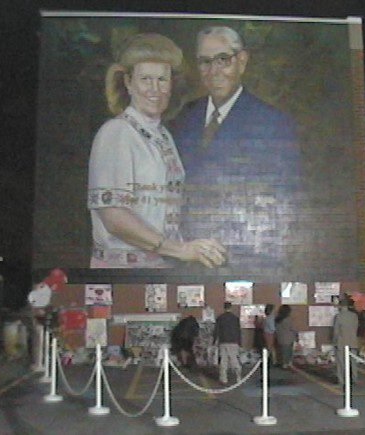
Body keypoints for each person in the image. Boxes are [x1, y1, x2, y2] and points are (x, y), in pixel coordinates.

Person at [87, 33, 226, 269]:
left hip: (160, 271)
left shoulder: (162, 135)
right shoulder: (116, 133)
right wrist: (181, 250)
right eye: (145, 79)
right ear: (128, 83)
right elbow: (114, 218)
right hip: (122, 276)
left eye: (162, 80)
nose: (155, 89)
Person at [171, 25, 301, 273]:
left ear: (241, 61)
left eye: (223, 60)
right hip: (185, 262)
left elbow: (284, 205)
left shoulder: (273, 124)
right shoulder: (184, 118)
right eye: (205, 62)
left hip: (244, 264)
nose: (214, 71)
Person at [332, 294, 359, 386]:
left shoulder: (338, 317)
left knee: (341, 363)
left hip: (341, 342)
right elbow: (356, 328)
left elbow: (336, 332)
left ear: (340, 306)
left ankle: (341, 380)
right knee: (353, 362)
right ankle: (354, 378)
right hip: (353, 341)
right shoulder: (354, 316)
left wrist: (334, 342)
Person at [213, 301, 242, 384]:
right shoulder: (235, 318)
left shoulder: (220, 318)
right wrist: (240, 343)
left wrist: (214, 341)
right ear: (231, 307)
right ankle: (238, 376)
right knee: (234, 359)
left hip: (223, 341)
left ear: (224, 307)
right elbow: (238, 331)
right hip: (233, 341)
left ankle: (223, 379)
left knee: (223, 361)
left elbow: (216, 331)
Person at [275, 304, 296, 369]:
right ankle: (288, 364)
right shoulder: (288, 319)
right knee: (289, 353)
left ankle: (284, 364)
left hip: (280, 338)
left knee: (283, 353)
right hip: (289, 339)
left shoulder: (277, 319)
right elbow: (293, 328)